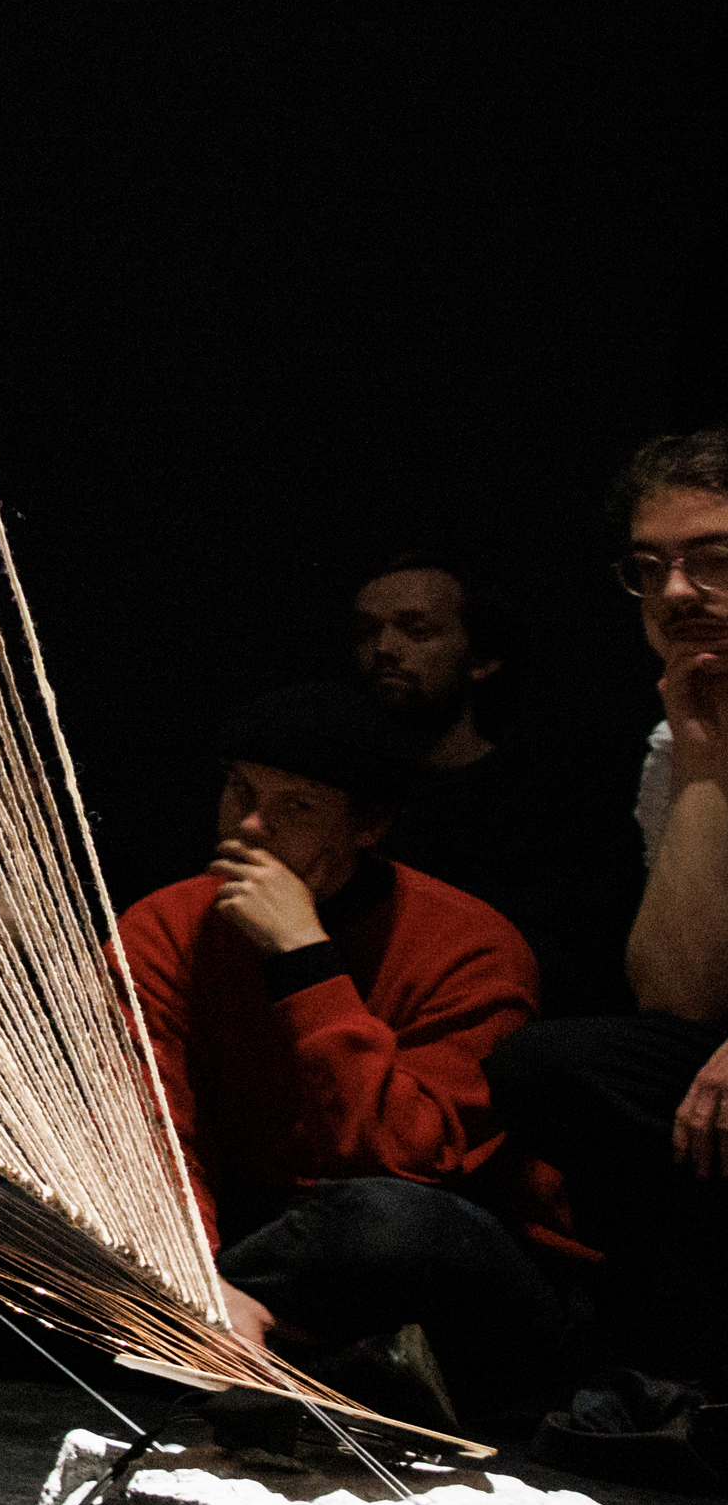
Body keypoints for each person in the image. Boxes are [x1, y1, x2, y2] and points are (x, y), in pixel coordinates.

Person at [112, 681, 575, 1424]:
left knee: (391, 1226)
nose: (250, 826)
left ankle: (218, 1343)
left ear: (368, 826)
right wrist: (195, 1275)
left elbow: (406, 1161)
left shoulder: (471, 944)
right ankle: (290, 1354)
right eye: (240, 790)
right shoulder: (167, 924)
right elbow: (152, 1127)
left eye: (296, 807)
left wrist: (304, 960)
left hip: (420, 1253)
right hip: (256, 1243)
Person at [497, 432, 728, 1411]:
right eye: (650, 566)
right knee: (552, 1065)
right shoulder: (670, 741)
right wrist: (701, 757)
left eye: (711, 557)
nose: (674, 592)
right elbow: (676, 992)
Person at [351, 549, 635, 1016]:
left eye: (416, 630)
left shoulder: (547, 799)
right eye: (367, 632)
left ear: (481, 659)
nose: (384, 648)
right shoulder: (348, 798)